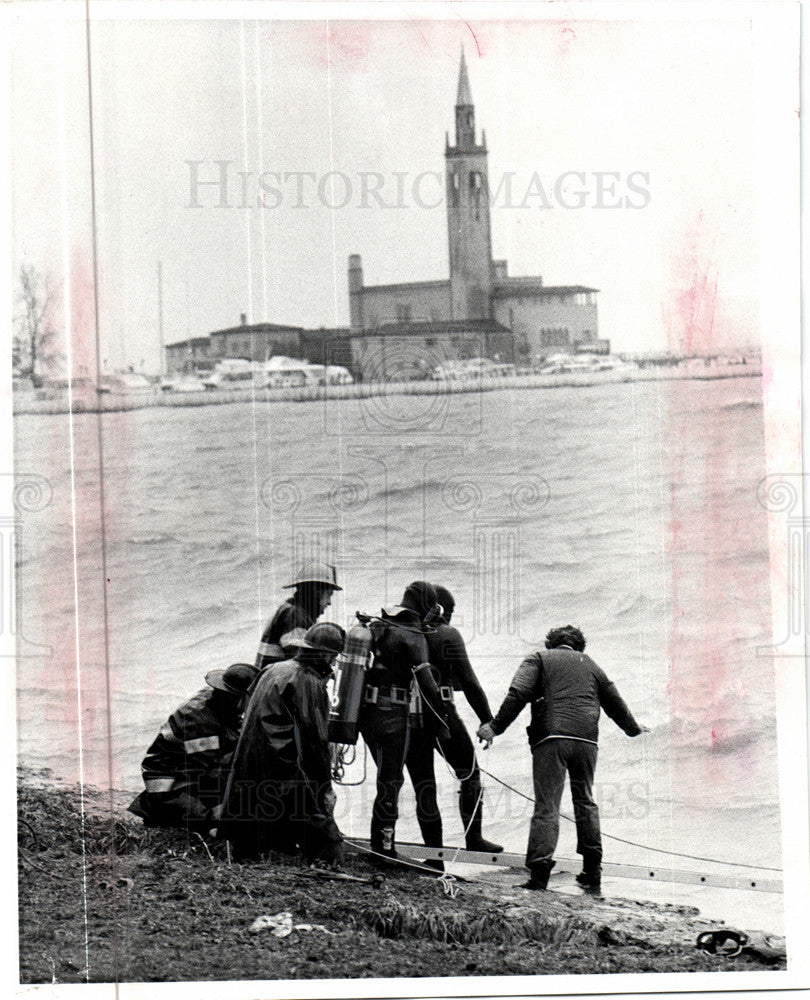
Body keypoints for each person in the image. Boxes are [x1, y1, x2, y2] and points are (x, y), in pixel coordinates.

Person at [477, 625, 648, 891]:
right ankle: (592, 871)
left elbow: (518, 694)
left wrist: (495, 727)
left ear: (551, 643)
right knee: (585, 801)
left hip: (551, 739)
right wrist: (633, 728)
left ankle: (539, 876)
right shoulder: (591, 664)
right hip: (587, 741)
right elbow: (614, 700)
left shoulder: (539, 658)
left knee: (547, 806)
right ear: (579, 646)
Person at [220, 622, 346, 864]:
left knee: (256, 841)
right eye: (333, 657)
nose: (333, 663)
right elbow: (315, 744)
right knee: (330, 848)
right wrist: (324, 791)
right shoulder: (308, 681)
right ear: (327, 654)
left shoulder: (272, 669)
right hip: (281, 774)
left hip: (247, 774)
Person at [359, 581, 450, 865]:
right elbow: (427, 684)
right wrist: (443, 718)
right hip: (392, 714)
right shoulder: (412, 634)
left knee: (386, 780)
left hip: (367, 714)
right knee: (391, 781)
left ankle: (382, 844)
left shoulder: (380, 624)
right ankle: (383, 850)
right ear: (427, 607)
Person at [128, 662, 258, 832]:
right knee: (226, 820)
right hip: (170, 789)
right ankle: (167, 815)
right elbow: (212, 773)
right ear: (237, 698)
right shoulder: (201, 723)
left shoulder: (216, 699)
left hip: (186, 774)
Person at [427, 584, 502, 853]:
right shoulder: (447, 634)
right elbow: (470, 683)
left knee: (422, 779)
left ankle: (431, 849)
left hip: (409, 715)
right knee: (470, 774)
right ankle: (474, 839)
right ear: (441, 609)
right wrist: (487, 720)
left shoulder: (405, 632)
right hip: (442, 713)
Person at [255, 561, 341, 670]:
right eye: (328, 595)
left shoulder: (291, 609)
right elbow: (301, 660)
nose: (329, 602)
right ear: (315, 591)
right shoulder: (295, 616)